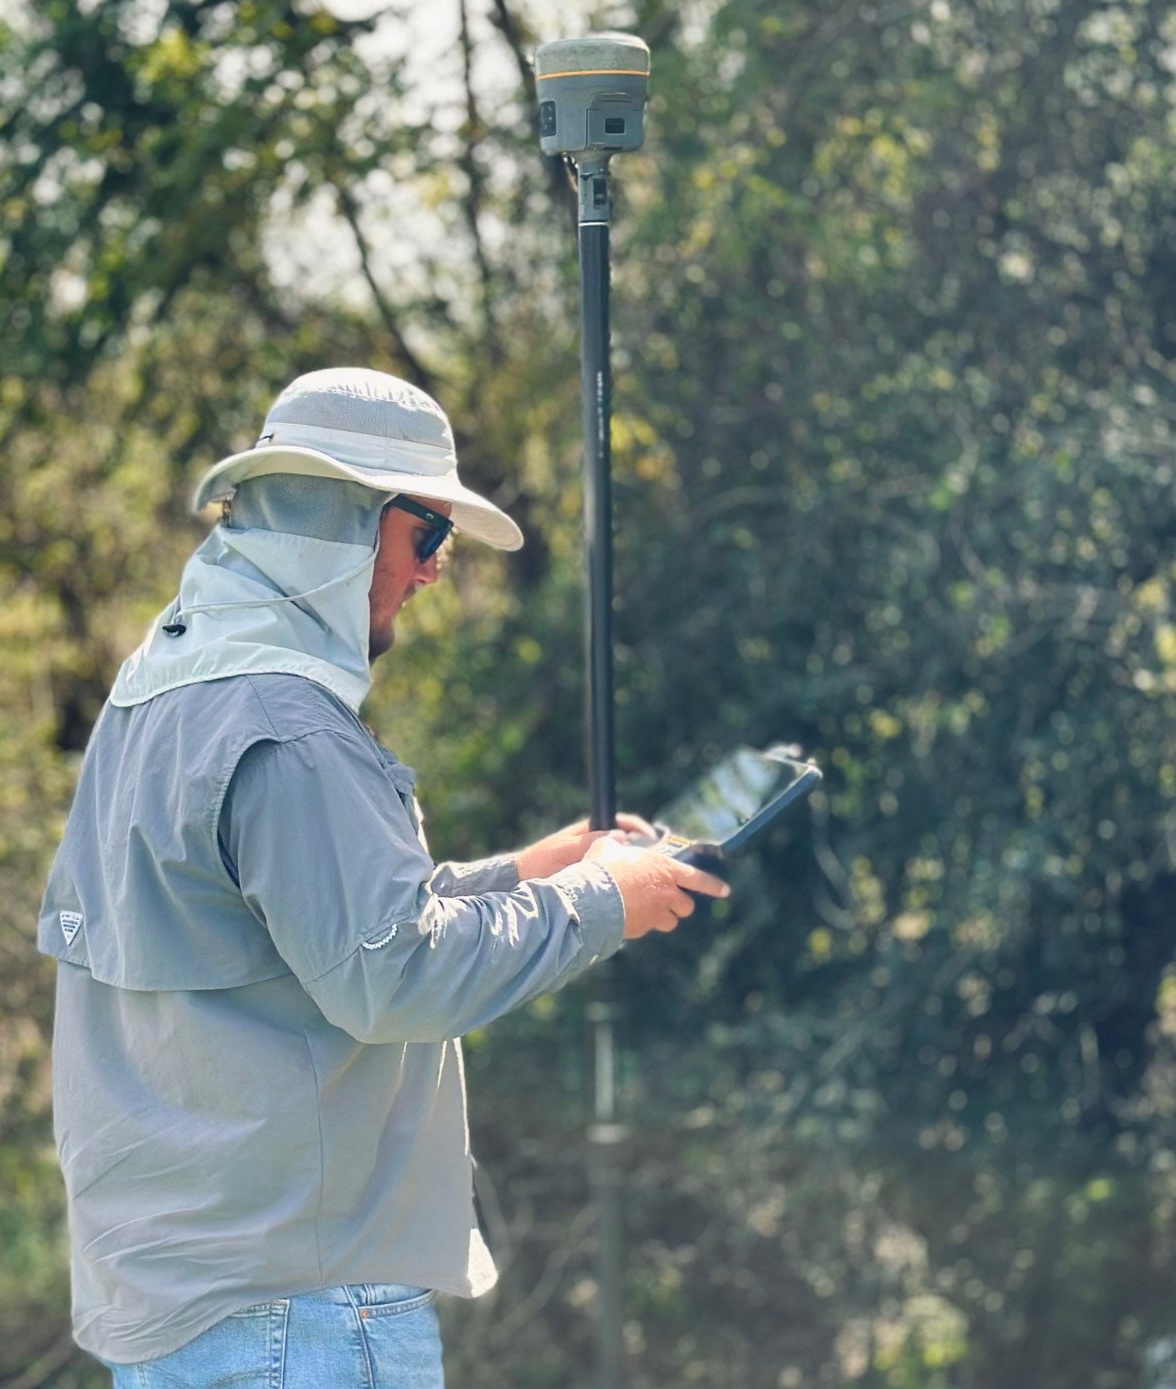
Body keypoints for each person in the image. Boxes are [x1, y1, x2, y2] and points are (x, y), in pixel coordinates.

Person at [36, 368, 727, 1385]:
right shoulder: (293, 728)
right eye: (429, 537)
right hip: (298, 1316)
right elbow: (392, 976)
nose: (436, 571)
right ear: (347, 523)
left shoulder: (160, 693)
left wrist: (528, 872)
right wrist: (601, 901)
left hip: (189, 1305)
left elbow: (312, 930)